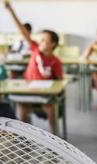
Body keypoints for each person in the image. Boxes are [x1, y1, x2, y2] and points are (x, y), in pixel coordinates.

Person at [4, 0, 63, 135]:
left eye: (44, 40)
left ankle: (55, 137)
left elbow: (59, 83)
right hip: (28, 93)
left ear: (53, 44)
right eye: (40, 39)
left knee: (50, 108)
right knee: (22, 109)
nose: (40, 42)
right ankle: (26, 136)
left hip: (44, 96)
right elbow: (22, 30)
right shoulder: (35, 49)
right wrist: (10, 10)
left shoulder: (56, 61)